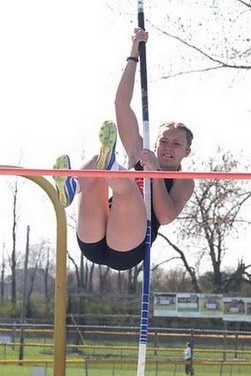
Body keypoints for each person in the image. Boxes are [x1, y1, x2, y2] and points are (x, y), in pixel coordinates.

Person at [52, 26, 194, 271]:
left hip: (127, 247)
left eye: (176, 143)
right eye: (163, 141)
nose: (167, 147)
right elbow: (121, 103)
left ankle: (110, 169)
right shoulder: (140, 151)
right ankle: (73, 185)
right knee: (100, 160)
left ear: (186, 152)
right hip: (93, 237)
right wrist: (133, 54)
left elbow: (166, 216)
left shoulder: (184, 181)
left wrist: (155, 173)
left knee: (126, 185)